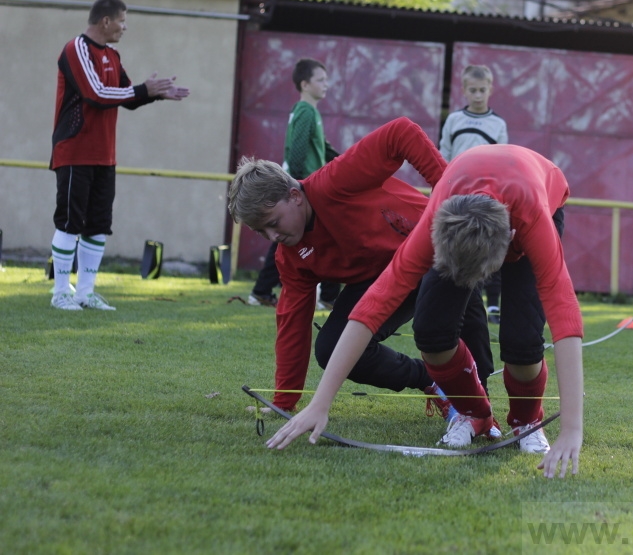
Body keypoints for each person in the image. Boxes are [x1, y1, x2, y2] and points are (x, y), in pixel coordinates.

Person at [266, 142, 585, 480]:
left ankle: (527, 420)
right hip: (466, 195)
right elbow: (371, 308)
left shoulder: (532, 221)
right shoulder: (434, 220)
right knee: (432, 331)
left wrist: (571, 430)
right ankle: (473, 414)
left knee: (522, 343)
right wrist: (320, 403)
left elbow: (565, 319)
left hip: (537, 193)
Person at [227, 117, 495, 414]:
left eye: (273, 223)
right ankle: (430, 380)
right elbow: (292, 325)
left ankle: (479, 401)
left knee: (461, 352)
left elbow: (401, 132)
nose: (273, 236)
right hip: (381, 282)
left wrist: (449, 196)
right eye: (262, 232)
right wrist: (283, 402)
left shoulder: (335, 181)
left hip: (433, 250)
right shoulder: (289, 257)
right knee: (332, 349)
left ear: (294, 196)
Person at [49, 0, 189, 311]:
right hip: (74, 151)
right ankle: (60, 292)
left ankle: (85, 292)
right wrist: (143, 89)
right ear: (106, 21)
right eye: (122, 21)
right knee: (69, 223)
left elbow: (125, 96)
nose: (125, 27)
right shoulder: (77, 49)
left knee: (98, 225)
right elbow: (96, 93)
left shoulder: (112, 53)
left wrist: (156, 95)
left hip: (104, 155)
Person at [248, 58, 340, 310]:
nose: (326, 84)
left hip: (306, 185)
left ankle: (263, 291)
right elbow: (297, 151)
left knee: (323, 236)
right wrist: (297, 187)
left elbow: (323, 148)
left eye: (326, 79)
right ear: (304, 84)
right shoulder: (305, 111)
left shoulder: (307, 111)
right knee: (329, 236)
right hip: (304, 186)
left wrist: (345, 161)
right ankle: (326, 296)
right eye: (320, 80)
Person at [439, 65, 508, 323]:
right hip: (455, 195)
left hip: (486, 195)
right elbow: (443, 154)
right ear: (464, 90)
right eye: (473, 90)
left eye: (482, 90)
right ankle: (456, 300)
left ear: (490, 89)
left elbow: (503, 160)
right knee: (453, 245)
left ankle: (492, 304)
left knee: (490, 243)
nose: (478, 95)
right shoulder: (454, 120)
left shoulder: (498, 124)